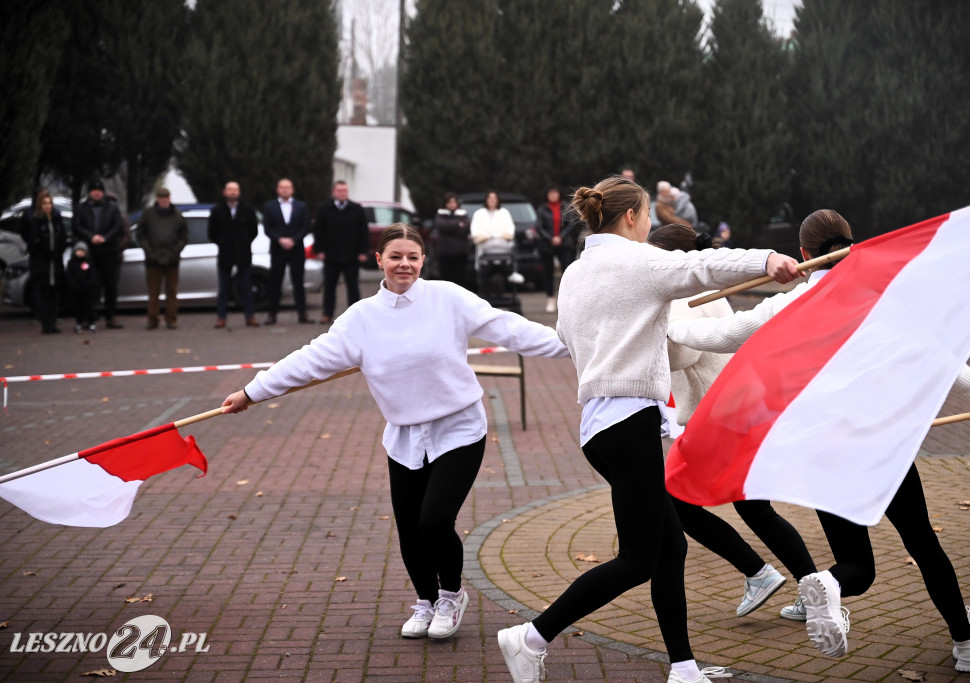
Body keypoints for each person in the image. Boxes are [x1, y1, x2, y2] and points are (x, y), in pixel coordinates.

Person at [667, 209, 970, 673]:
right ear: (851, 245)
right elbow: (944, 363)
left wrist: (666, 323)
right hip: (884, 447)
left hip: (827, 452)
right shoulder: (884, 303)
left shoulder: (787, 305)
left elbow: (721, 335)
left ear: (803, 254)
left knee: (857, 565)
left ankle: (831, 586)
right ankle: (966, 643)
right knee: (922, 544)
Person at [496, 176, 801, 683]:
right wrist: (767, 258)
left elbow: (568, 338)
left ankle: (683, 667)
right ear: (634, 218)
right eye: (649, 217)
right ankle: (531, 636)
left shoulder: (573, 273)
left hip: (602, 427)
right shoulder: (638, 262)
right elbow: (701, 264)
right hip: (627, 422)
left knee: (670, 549)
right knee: (638, 559)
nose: (652, 226)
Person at [221, 223, 569, 643]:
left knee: (434, 519)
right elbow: (308, 360)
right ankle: (425, 601)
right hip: (405, 436)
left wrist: (572, 345)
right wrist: (251, 392)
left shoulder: (448, 298)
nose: (404, 264)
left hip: (458, 427)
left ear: (423, 260)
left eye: (413, 257)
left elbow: (508, 327)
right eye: (396, 256)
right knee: (409, 527)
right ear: (379, 260)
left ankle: (451, 595)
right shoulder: (361, 319)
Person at [650, 224, 818, 621]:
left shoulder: (683, 296)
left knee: (677, 503)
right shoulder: (697, 288)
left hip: (719, 416)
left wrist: (648, 332)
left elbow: (682, 356)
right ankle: (810, 590)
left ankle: (764, 575)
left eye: (653, 258)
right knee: (754, 511)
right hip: (730, 411)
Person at [313, 180, 369, 323]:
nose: (342, 193)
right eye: (339, 190)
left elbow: (363, 232)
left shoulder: (356, 209)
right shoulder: (324, 209)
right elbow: (318, 231)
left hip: (352, 256)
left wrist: (363, 252)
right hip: (331, 255)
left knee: (353, 286)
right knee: (329, 286)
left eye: (345, 190)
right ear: (333, 192)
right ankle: (327, 314)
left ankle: (355, 315)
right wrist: (319, 250)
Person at [72, 180, 125, 329]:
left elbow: (118, 226)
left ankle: (111, 317)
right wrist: (91, 237)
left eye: (99, 190)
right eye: (94, 190)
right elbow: (77, 226)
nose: (97, 192)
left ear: (103, 192)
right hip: (90, 252)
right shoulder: (81, 209)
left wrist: (106, 237)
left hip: (108, 251)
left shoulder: (112, 208)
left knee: (111, 286)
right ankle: (90, 317)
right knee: (90, 286)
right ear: (89, 192)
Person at [208, 181, 260, 328]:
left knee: (246, 286)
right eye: (230, 189)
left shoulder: (248, 210)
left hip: (243, 253)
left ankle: (250, 316)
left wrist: (243, 242)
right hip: (225, 254)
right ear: (224, 192)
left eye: (235, 189)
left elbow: (253, 231)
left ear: (239, 192)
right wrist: (224, 243)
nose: (232, 192)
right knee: (223, 287)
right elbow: (212, 233)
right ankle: (221, 317)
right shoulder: (217, 211)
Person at [136, 188, 188, 330]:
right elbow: (140, 234)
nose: (165, 202)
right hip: (153, 259)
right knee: (154, 291)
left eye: (167, 200)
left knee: (172, 291)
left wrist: (175, 251)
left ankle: (171, 319)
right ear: (157, 200)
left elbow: (184, 236)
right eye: (162, 200)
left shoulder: (177, 216)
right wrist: (149, 251)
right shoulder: (148, 214)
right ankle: (153, 319)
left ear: (169, 199)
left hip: (172, 259)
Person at [263, 178, 312, 325]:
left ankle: (302, 314)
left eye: (288, 187)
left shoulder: (301, 206)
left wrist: (294, 240)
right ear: (278, 189)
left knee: (298, 282)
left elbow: (305, 226)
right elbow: (267, 228)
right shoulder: (269, 206)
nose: (285, 190)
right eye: (282, 187)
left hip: (296, 249)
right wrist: (280, 240)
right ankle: (272, 315)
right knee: (275, 282)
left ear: (292, 190)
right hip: (278, 250)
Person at [27, 190, 67, 334]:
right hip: (43, 263)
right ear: (40, 205)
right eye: (44, 203)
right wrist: (46, 252)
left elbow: (62, 237)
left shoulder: (57, 219)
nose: (47, 206)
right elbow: (35, 241)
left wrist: (58, 251)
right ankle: (46, 324)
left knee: (54, 294)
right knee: (45, 295)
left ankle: (53, 322)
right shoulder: (36, 221)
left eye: (49, 203)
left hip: (56, 262)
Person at [535, 185, 578, 313]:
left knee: (567, 270)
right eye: (551, 193)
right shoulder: (542, 209)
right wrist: (550, 238)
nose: (553, 195)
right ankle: (550, 298)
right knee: (548, 272)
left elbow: (571, 224)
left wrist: (561, 237)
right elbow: (539, 226)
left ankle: (567, 298)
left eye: (555, 193)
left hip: (564, 244)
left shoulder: (566, 207)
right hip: (547, 245)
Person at [469, 191, 516, 297]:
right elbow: (474, 232)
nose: (492, 200)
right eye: (490, 197)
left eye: (494, 197)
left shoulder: (504, 212)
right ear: (486, 199)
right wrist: (486, 237)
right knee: (484, 279)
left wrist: (495, 237)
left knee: (501, 277)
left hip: (503, 253)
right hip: (484, 253)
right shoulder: (479, 213)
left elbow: (510, 230)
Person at [432, 193, 470, 288]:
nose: (452, 204)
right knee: (445, 279)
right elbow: (441, 226)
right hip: (445, 253)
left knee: (459, 279)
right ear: (445, 204)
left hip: (460, 253)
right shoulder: (440, 214)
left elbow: (465, 228)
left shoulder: (463, 214)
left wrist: (450, 227)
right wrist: (457, 224)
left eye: (454, 202)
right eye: (450, 202)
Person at [66, 241, 99, 334]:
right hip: (76, 291)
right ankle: (79, 323)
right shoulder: (71, 263)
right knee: (78, 308)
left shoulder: (89, 262)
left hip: (87, 290)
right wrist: (75, 285)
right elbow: (69, 275)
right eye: (78, 251)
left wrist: (87, 285)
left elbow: (93, 276)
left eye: (82, 251)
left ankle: (91, 323)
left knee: (89, 307)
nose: (80, 253)